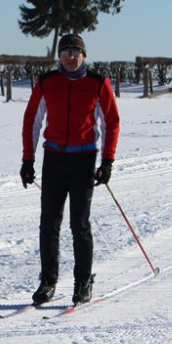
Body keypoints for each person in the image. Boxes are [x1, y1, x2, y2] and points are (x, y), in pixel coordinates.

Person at [20, 33, 120, 306]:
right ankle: (48, 280)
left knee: (80, 223)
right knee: (49, 222)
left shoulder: (97, 83)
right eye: (66, 53)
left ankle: (83, 281)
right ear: (59, 57)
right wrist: (28, 161)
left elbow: (111, 121)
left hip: (83, 160)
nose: (71, 57)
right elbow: (32, 120)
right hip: (53, 159)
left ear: (84, 56)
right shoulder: (47, 82)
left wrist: (107, 161)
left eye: (76, 53)